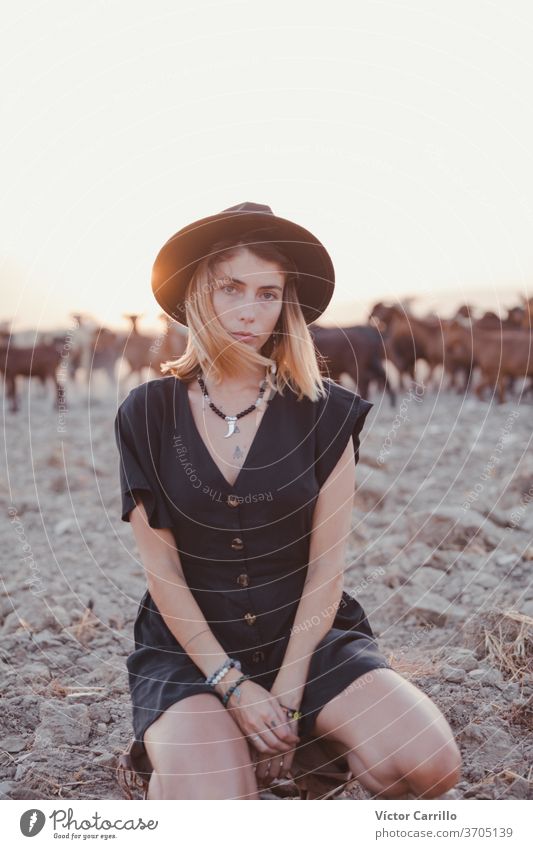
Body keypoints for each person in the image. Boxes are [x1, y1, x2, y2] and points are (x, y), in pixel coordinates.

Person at [114, 201, 462, 800]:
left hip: (306, 635)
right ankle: (178, 769)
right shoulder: (145, 412)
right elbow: (163, 571)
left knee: (426, 765)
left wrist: (290, 698)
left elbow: (328, 568)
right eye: (231, 289)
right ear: (199, 293)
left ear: (286, 306)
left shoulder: (328, 412)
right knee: (218, 809)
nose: (250, 311)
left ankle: (309, 751)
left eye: (269, 294)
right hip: (194, 648)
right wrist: (233, 685)